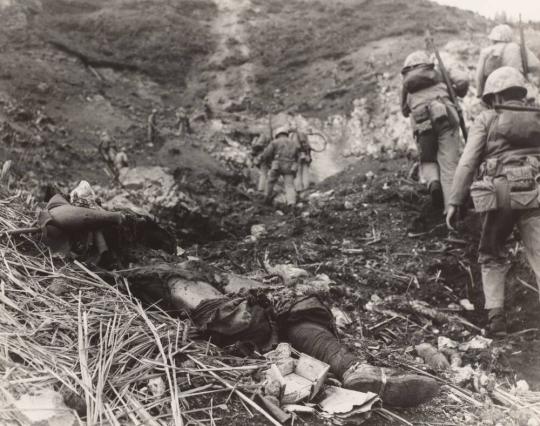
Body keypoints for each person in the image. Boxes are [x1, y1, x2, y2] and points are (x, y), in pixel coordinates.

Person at [37, 189, 439, 408]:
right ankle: (313, 366)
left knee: (291, 301)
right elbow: (62, 219)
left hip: (185, 266)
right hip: (158, 280)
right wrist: (105, 216)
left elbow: (164, 237)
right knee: (237, 317)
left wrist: (119, 216)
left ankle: (352, 368)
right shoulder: (71, 233)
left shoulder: (120, 226)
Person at [446, 66, 540, 335]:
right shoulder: (536, 117)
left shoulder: (487, 118)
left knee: (492, 253)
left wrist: (455, 200)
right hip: (533, 192)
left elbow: (467, 162)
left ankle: (496, 318)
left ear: (495, 96)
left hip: (499, 195)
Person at [401, 50, 469, 212]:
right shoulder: (438, 72)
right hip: (445, 115)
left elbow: (404, 111)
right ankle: (452, 211)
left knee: (427, 158)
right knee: (448, 165)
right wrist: (452, 89)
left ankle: (433, 182)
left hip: (421, 121)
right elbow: (463, 82)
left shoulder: (407, 83)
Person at [475, 24, 540, 101]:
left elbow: (479, 76)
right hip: (517, 89)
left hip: (494, 92)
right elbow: (536, 66)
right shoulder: (519, 47)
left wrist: (479, 94)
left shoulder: (486, 51)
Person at [261, 125, 301, 207]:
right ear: (286, 134)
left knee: (270, 182)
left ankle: (266, 199)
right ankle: (291, 203)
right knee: (289, 185)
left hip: (277, 165)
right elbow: (298, 157)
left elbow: (266, 154)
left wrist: (268, 161)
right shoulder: (294, 143)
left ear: (278, 134)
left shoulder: (274, 142)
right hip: (289, 166)